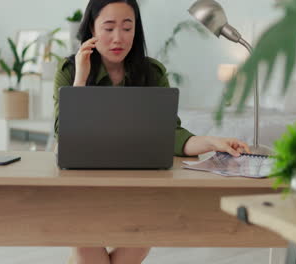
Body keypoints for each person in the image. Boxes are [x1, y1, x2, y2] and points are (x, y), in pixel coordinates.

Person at [53, 0, 250, 263]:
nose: (118, 38)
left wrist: (212, 141)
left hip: (140, 189)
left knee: (142, 235)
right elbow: (64, 136)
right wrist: (81, 78)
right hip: (82, 188)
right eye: (108, 28)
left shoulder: (152, 73)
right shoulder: (69, 70)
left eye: (127, 27)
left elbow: (172, 135)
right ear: (91, 27)